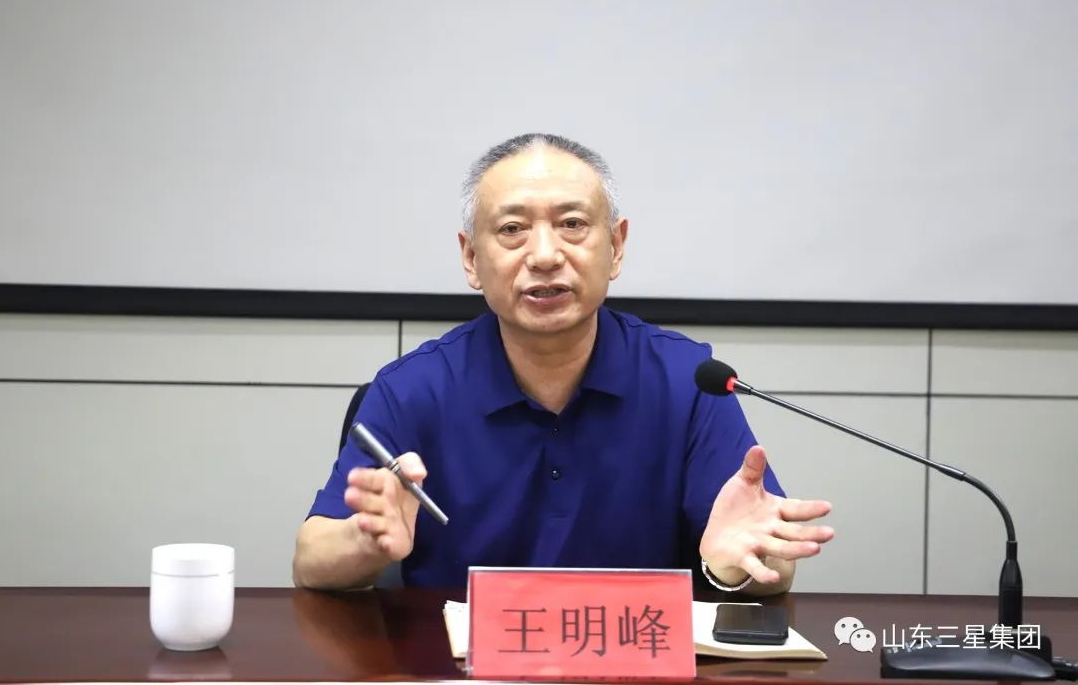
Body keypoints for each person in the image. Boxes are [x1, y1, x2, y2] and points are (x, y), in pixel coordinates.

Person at [292, 133, 834, 592]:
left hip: (635, 664)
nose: (546, 255)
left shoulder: (686, 381)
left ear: (616, 246)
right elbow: (310, 561)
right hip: (458, 667)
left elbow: (771, 561)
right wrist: (364, 541)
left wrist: (732, 566)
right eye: (512, 230)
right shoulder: (413, 389)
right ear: (471, 258)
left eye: (572, 224)